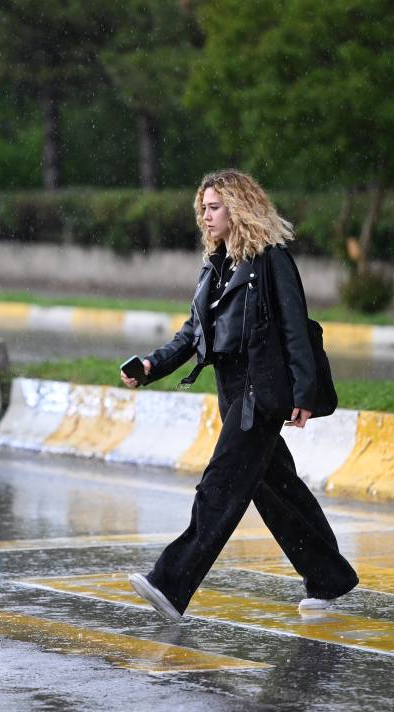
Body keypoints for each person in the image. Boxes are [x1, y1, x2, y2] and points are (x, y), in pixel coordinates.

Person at [121, 169, 358, 622]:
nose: (205, 217)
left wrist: (303, 392)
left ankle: (170, 581)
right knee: (277, 491)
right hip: (230, 389)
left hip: (260, 389)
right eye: (203, 209)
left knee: (222, 484)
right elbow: (193, 333)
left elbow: (295, 327)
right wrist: (152, 366)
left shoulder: (272, 260)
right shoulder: (215, 264)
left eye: (214, 207)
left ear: (239, 208)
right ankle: (329, 575)